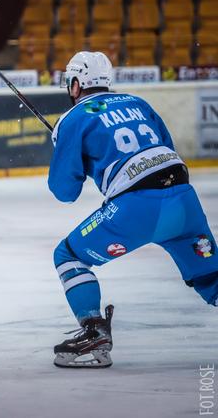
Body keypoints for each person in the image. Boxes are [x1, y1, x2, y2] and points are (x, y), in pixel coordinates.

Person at [49, 51, 218, 368]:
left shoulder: (72, 119)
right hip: (184, 199)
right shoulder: (139, 104)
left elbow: (64, 192)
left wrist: (65, 148)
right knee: (212, 277)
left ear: (75, 84)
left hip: (136, 208)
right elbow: (165, 147)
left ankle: (94, 332)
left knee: (68, 255)